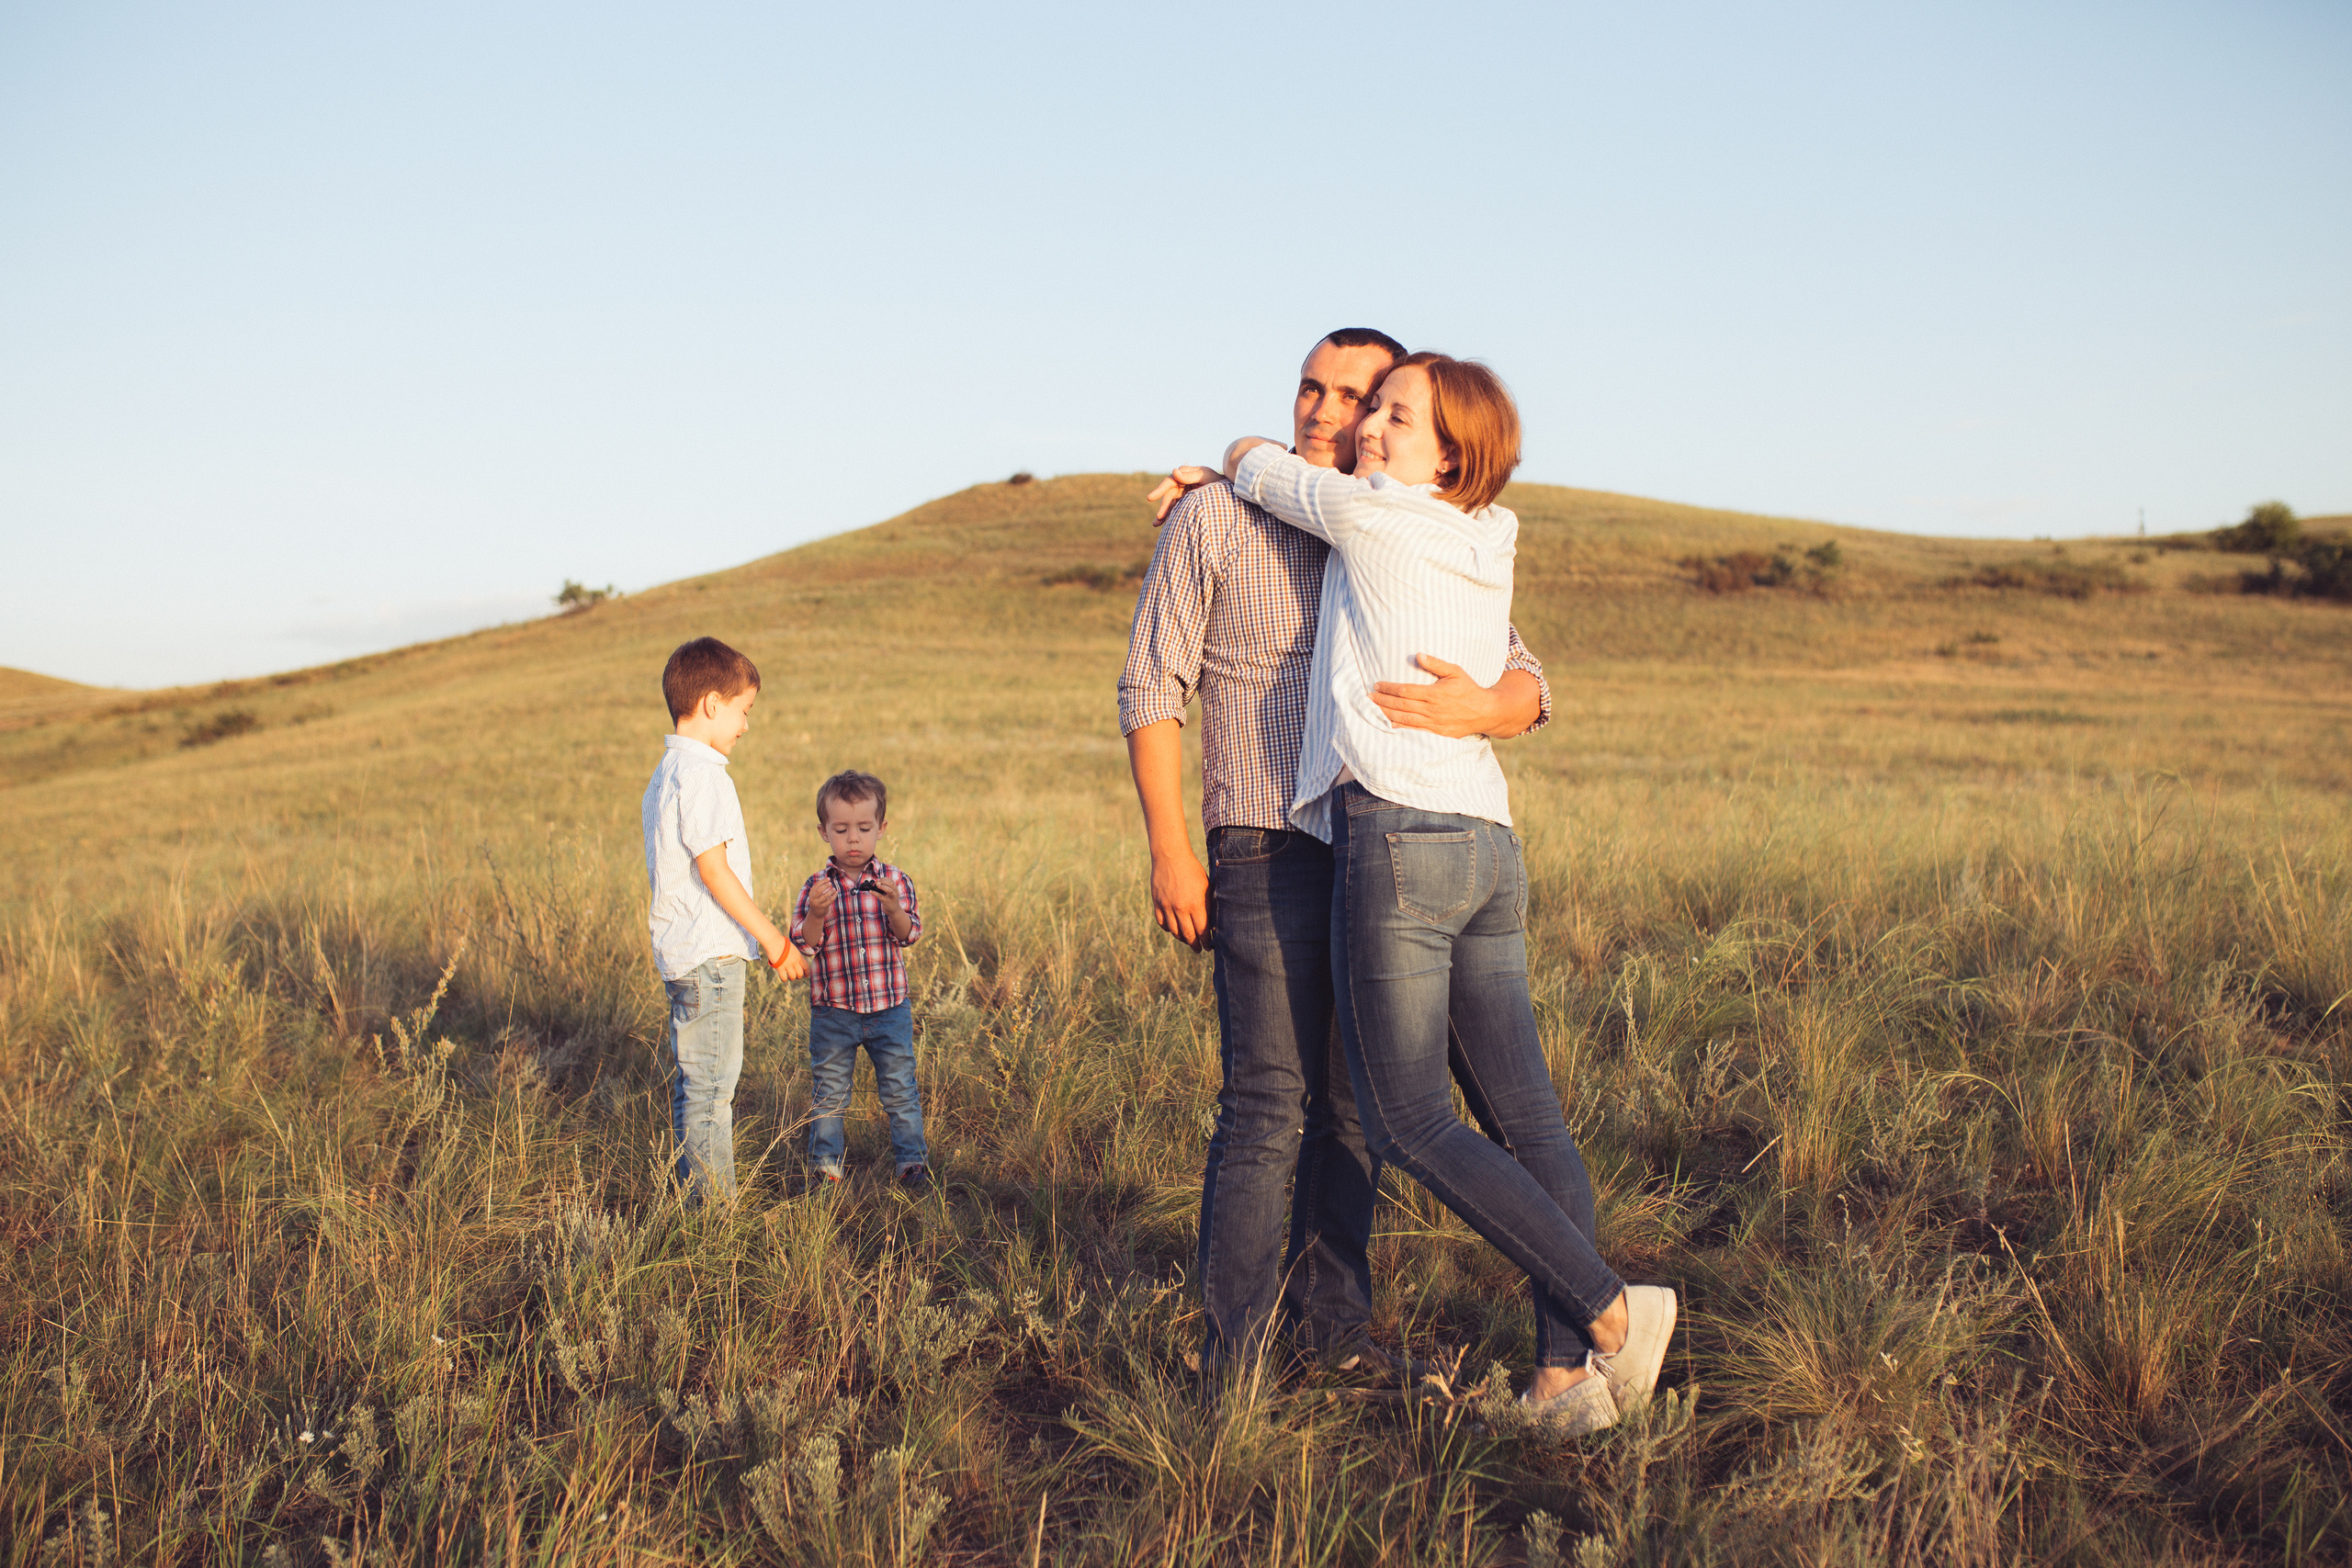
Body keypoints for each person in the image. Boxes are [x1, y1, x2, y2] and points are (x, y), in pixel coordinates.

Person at [1192, 351, 1677, 1433]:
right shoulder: (1489, 534)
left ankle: (1609, 1312)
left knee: (1406, 1118)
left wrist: (1221, 464)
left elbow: (1256, 462)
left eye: (1394, 416)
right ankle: (1562, 1380)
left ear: (1448, 457)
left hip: (1401, 837)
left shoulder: (1373, 516)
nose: (1368, 427)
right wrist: (1511, 698)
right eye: (1374, 409)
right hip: (1486, 842)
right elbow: (1520, 674)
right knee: (1527, 1118)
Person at [1119, 327, 1555, 1378]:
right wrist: (1171, 847)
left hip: (1377, 843)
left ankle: (1333, 1337)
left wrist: (1492, 705)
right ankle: (1232, 1365)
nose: (1324, 411)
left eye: (1352, 396)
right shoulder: (1219, 517)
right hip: (1265, 841)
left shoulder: (1409, 517)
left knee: (1357, 1110)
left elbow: (1524, 673)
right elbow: (1150, 683)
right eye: (1309, 388)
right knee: (1267, 1104)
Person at [640, 636, 806, 1205]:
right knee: (712, 1091)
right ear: (712, 704)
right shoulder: (703, 774)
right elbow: (714, 870)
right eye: (744, 710)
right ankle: (713, 1220)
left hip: (684, 954)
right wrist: (774, 941)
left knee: (697, 1087)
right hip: (710, 956)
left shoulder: (666, 772)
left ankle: (692, 1200)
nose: (746, 725)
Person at [790, 769, 930, 1190]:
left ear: (881, 828)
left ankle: (911, 1162)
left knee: (900, 1088)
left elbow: (909, 935)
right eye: (841, 829)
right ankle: (826, 1167)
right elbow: (806, 944)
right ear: (824, 832)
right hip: (835, 1012)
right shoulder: (816, 887)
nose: (853, 839)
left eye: (864, 828)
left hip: (889, 1008)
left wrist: (894, 910)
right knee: (830, 1092)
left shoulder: (895, 881)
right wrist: (816, 914)